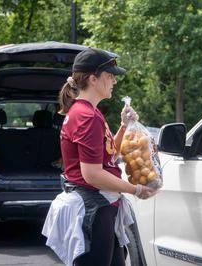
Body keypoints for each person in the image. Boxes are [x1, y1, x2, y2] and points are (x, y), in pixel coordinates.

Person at [46, 47, 156, 266]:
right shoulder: (87, 116)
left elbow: (109, 155)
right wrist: (136, 190)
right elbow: (93, 174)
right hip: (94, 208)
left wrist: (124, 126)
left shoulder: (88, 112)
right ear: (93, 79)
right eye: (109, 76)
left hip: (99, 207)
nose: (114, 81)